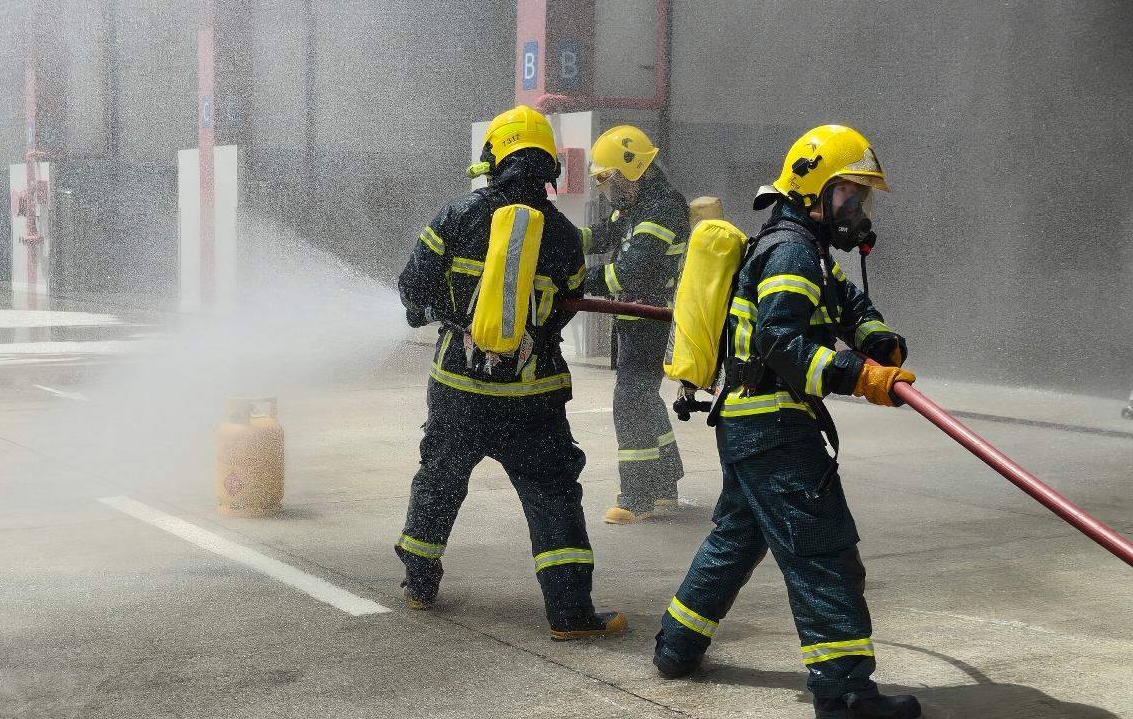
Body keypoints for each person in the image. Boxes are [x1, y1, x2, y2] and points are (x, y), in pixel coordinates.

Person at [652, 125, 922, 719]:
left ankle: (675, 646)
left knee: (736, 539)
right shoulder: (792, 251)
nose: (857, 209)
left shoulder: (805, 248)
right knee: (823, 553)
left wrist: (878, 340)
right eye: (849, 193)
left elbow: (847, 304)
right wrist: (860, 376)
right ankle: (845, 693)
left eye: (862, 198)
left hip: (751, 425)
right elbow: (781, 342)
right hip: (774, 430)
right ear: (813, 189)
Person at [394, 105, 627, 641]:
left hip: (458, 391)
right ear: (548, 167)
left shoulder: (456, 216)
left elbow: (411, 289)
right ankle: (569, 615)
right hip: (532, 398)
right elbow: (565, 309)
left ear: (494, 159)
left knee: (438, 482)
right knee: (552, 496)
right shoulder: (563, 235)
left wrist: (452, 312)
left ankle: (419, 586)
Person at [580, 125, 690, 524]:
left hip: (653, 321)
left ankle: (638, 497)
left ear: (633, 169)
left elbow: (632, 270)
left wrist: (573, 280)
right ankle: (665, 484)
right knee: (644, 397)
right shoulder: (639, 204)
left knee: (630, 401)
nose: (608, 188)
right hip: (637, 319)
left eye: (610, 178)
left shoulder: (662, 208)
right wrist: (560, 241)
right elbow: (605, 233)